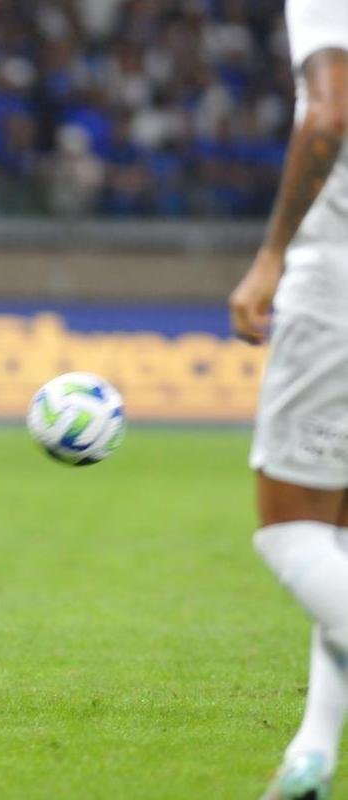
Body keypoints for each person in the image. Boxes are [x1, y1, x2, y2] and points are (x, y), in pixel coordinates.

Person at [228, 2, 348, 797]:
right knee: (336, 532)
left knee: (292, 529)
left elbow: (328, 114)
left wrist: (270, 254)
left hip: (337, 276)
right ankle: (312, 752)